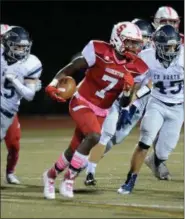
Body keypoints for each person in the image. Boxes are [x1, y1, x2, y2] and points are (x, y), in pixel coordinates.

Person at [43, 21, 149, 199]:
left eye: (136, 43)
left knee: (74, 148)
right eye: (129, 42)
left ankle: (50, 176)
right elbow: (73, 66)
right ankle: (70, 178)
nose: (133, 47)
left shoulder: (138, 67)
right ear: (117, 39)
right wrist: (53, 83)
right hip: (82, 100)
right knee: (94, 136)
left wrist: (128, 91)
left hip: (102, 110)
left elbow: (124, 104)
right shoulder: (99, 50)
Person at [85, 19, 154, 186]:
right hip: (114, 99)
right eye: (140, 38)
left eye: (146, 38)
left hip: (134, 103)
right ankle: (89, 169)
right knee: (106, 133)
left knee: (115, 139)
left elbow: (149, 85)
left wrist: (132, 102)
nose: (142, 42)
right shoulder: (121, 51)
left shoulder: (150, 56)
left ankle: (88, 161)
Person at [117, 25, 184, 194]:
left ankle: (155, 161)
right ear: (156, 46)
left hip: (178, 107)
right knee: (146, 138)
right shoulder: (147, 58)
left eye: (173, 46)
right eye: (166, 47)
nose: (170, 50)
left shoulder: (183, 58)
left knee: (163, 152)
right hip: (157, 103)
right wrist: (130, 104)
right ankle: (130, 180)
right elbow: (140, 84)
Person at [0, 24, 42, 184]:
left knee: (14, 143)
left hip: (8, 110)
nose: (20, 50)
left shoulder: (31, 63)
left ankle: (10, 173)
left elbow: (29, 94)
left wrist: (21, 83)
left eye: (23, 46)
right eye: (16, 46)